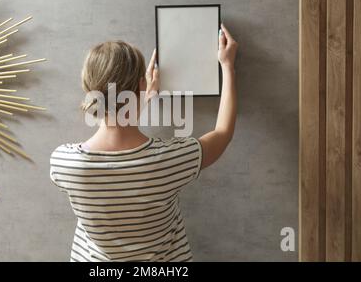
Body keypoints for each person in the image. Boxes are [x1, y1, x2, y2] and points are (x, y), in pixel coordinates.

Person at [50, 24, 238, 262]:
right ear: (141, 84)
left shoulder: (64, 163)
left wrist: (141, 98)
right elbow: (223, 134)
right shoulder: (171, 160)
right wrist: (228, 67)